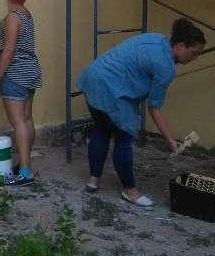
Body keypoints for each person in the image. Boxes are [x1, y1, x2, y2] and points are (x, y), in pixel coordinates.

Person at [77, 18, 206, 207]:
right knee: (124, 139)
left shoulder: (156, 38)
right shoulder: (165, 68)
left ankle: (93, 181)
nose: (194, 58)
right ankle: (131, 191)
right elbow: (154, 108)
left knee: (101, 130)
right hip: (112, 90)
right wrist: (171, 141)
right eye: (194, 53)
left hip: (93, 77)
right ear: (180, 45)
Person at [0, 0, 42, 186]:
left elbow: (9, 49)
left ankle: (25, 171)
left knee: (18, 121)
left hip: (16, 72)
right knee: (27, 119)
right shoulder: (27, 14)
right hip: (31, 70)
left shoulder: (13, 17)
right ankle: (24, 163)